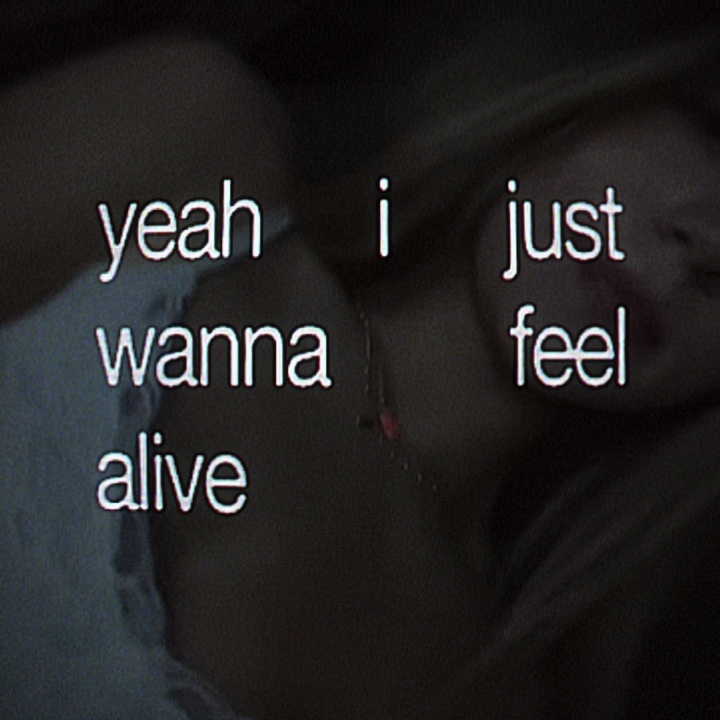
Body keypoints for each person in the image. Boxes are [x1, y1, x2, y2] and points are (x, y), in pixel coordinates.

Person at [1, 13, 720, 720]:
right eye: (714, 142)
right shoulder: (192, 154)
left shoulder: (476, 694)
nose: (708, 240)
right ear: (604, 93)